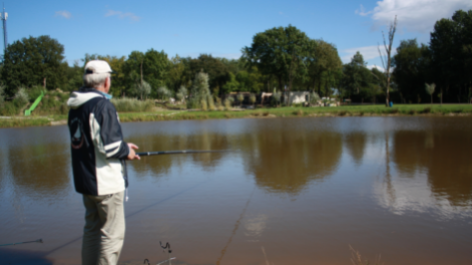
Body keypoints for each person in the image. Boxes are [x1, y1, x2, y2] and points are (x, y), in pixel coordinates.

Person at [67, 60, 140, 265]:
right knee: (112, 236)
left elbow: (93, 140)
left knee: (92, 230)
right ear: (106, 81)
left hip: (86, 183)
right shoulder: (102, 105)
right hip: (105, 184)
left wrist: (123, 146)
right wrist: (128, 152)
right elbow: (111, 148)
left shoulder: (76, 106)